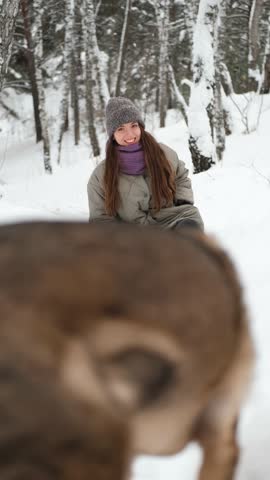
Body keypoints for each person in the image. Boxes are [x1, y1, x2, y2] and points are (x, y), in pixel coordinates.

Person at [87, 97, 204, 231]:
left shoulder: (164, 154)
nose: (130, 134)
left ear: (140, 127)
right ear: (112, 134)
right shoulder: (100, 175)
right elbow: (100, 219)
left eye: (134, 125)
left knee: (190, 230)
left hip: (170, 221)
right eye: (120, 129)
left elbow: (180, 176)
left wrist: (182, 201)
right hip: (132, 233)